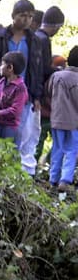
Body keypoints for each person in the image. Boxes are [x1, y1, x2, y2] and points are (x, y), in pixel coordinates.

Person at [0, 0, 47, 176]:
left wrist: (37, 96)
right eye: (23, 16)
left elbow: (38, 69)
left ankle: (16, 174)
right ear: (14, 16)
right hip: (1, 92)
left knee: (20, 136)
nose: (27, 20)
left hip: (24, 93)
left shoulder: (35, 41)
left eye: (30, 17)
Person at [35, 6, 66, 163]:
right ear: (55, 25)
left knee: (34, 136)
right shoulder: (44, 39)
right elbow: (44, 69)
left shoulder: (34, 36)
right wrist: (58, 70)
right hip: (37, 95)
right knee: (37, 136)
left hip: (31, 92)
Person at [45, 46, 78, 192]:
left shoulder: (57, 76)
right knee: (71, 150)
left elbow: (48, 91)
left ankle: (53, 179)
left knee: (57, 148)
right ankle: (65, 179)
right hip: (73, 121)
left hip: (57, 118)